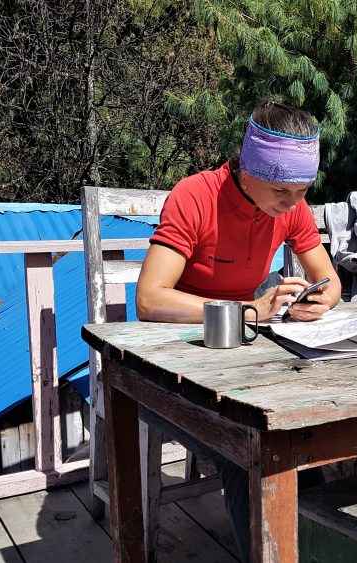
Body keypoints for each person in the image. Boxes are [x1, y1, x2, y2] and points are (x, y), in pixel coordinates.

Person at [135, 99, 341, 560]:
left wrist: (319, 299)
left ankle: (310, 549)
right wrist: (249, 310)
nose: (293, 203)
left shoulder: (290, 206)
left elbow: (330, 281)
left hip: (242, 357)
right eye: (282, 190)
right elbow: (149, 299)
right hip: (178, 358)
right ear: (248, 168)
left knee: (302, 432)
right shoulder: (195, 196)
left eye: (303, 190)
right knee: (250, 447)